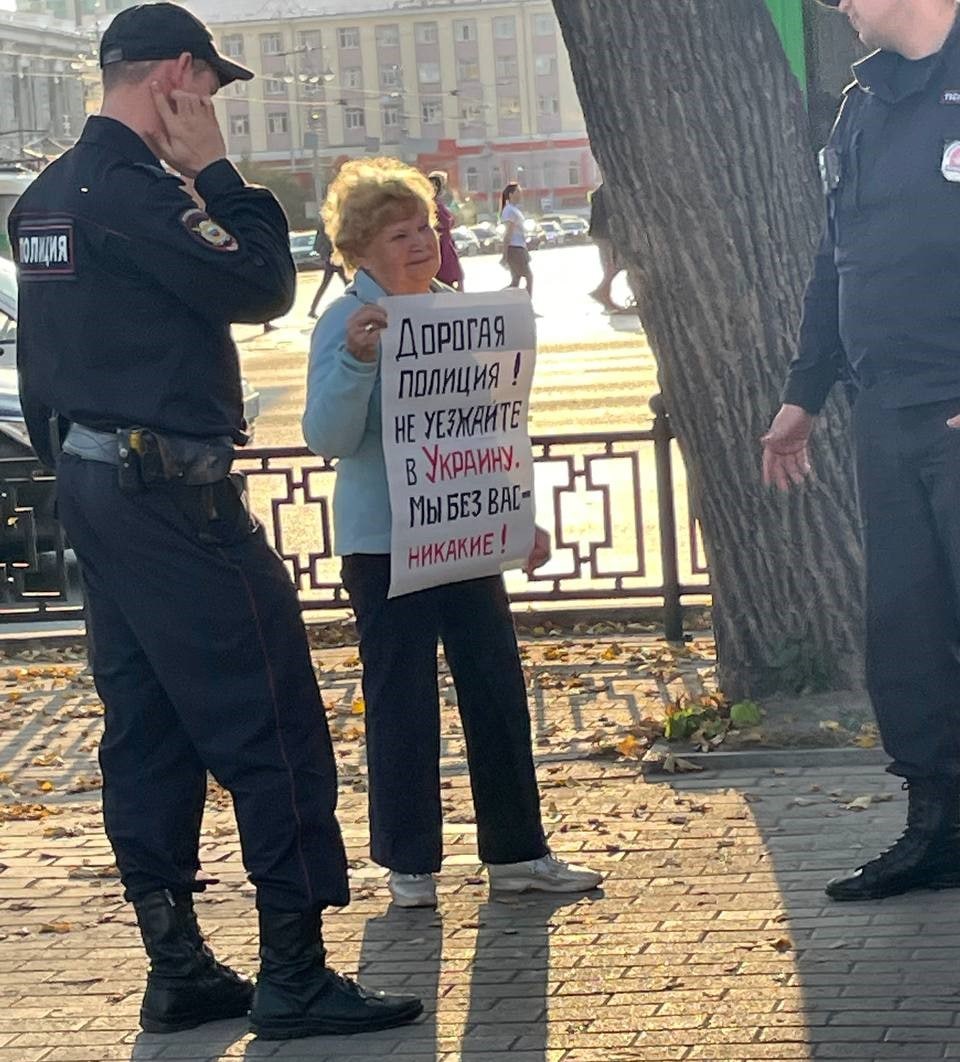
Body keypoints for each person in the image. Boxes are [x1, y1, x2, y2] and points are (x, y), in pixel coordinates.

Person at [8, 3, 421, 1041]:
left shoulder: (48, 195)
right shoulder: (143, 192)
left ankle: (178, 963)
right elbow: (260, 282)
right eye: (210, 92)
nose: (213, 110)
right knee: (272, 716)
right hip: (172, 497)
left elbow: (54, 371)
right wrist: (223, 175)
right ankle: (295, 972)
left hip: (98, 493)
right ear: (177, 79)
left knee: (146, 727)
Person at [302, 158, 602, 909]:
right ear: (360, 249)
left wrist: (516, 518)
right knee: (401, 700)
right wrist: (359, 362)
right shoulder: (346, 321)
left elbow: (487, 428)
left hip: (464, 533)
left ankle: (517, 853)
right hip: (384, 542)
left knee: (496, 689)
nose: (420, 244)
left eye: (426, 229)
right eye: (399, 234)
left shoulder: (453, 309)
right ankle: (410, 864)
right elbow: (327, 437)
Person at [762, 0, 960, 902]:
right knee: (908, 637)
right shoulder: (862, 104)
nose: (836, 2)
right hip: (889, 417)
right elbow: (837, 260)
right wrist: (803, 395)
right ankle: (939, 829)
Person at [587, 184, 628, 313]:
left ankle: (606, 299)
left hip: (601, 233)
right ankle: (602, 292)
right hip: (606, 234)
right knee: (615, 265)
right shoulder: (610, 190)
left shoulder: (600, 192)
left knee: (611, 266)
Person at [428, 169, 464, 290]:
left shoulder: (440, 204)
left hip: (447, 245)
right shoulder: (433, 205)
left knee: (456, 278)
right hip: (441, 246)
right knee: (447, 279)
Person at [500, 182, 533, 296]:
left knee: (516, 279)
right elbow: (508, 233)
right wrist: (505, 254)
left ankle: (506, 300)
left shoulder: (514, 209)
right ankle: (527, 301)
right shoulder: (509, 210)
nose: (521, 194)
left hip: (519, 246)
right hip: (515, 248)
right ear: (510, 194)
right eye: (518, 192)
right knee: (528, 276)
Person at [307, 223, 347, 318]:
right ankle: (355, 306)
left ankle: (312, 309)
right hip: (333, 258)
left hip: (331, 258)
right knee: (348, 284)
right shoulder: (331, 225)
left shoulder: (324, 225)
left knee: (325, 285)